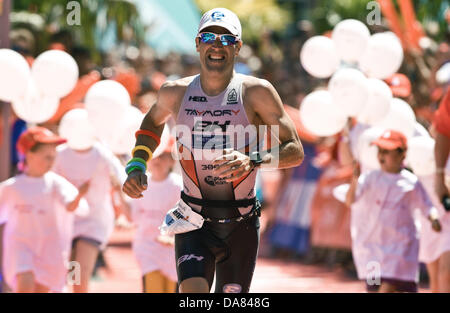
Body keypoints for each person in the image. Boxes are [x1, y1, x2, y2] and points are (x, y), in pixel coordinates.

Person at [122, 7, 304, 293]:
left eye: (226, 39)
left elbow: (295, 150)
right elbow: (152, 122)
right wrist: (136, 165)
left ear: (238, 47)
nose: (217, 45)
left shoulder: (257, 92)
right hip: (193, 221)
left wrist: (253, 160)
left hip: (241, 225)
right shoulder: (175, 92)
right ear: (197, 44)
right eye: (209, 37)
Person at [346, 129, 441, 293]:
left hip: (400, 249)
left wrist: (433, 219)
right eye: (379, 151)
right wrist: (354, 179)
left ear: (402, 155)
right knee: (374, 289)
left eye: (387, 151)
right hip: (372, 250)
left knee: (389, 287)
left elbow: (426, 205)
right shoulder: (371, 178)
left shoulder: (410, 182)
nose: (381, 155)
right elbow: (350, 200)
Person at [0, 127, 88, 292]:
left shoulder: (56, 184)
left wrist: (79, 196)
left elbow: (71, 205)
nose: (51, 162)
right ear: (29, 155)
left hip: (49, 250)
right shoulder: (12, 188)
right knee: (24, 283)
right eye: (47, 157)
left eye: (53, 157)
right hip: (21, 247)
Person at [52, 140, 126, 293]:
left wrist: (118, 187)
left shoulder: (104, 153)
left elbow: (122, 179)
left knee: (80, 276)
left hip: (93, 223)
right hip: (66, 223)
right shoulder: (59, 153)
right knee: (69, 276)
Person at [123, 136, 181, 293]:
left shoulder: (178, 186)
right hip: (147, 246)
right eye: (154, 156)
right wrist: (116, 192)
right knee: (152, 287)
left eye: (163, 156)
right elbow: (133, 217)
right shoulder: (141, 183)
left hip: (172, 249)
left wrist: (172, 237)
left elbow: (186, 217)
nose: (158, 161)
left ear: (172, 161)